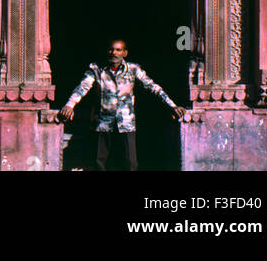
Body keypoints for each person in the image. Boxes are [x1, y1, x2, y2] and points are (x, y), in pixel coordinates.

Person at [59, 38, 184, 171]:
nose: (114, 53)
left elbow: (153, 87)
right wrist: (69, 105)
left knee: (130, 164)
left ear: (125, 53)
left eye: (118, 50)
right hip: (102, 124)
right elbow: (82, 88)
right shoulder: (96, 69)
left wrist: (172, 105)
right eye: (111, 49)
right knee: (98, 163)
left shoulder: (133, 69)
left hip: (126, 123)